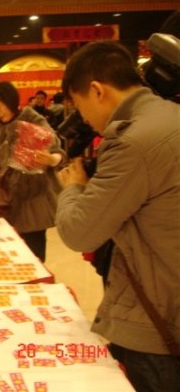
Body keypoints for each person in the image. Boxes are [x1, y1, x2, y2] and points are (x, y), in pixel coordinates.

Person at [56, 41, 180, 392]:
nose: (84, 119)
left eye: (80, 107)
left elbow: (79, 232)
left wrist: (73, 188)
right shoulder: (170, 115)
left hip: (157, 323)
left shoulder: (131, 141)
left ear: (97, 90)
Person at [0, 82, 64, 262]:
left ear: (10, 101)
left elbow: (57, 150)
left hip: (34, 197)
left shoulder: (31, 118)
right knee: (14, 254)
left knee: (34, 255)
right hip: (9, 199)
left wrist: (51, 159)